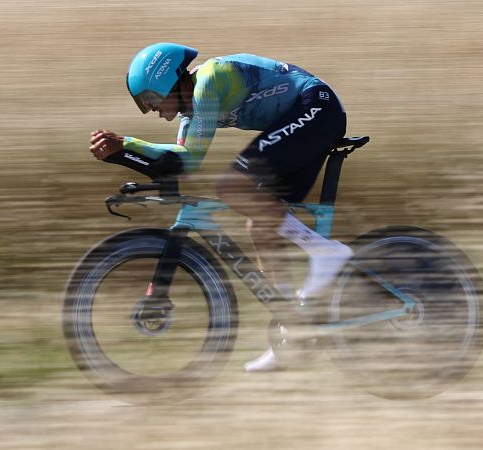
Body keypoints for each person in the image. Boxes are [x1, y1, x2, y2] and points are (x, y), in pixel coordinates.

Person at [88, 43, 353, 372]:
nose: (154, 110)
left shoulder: (209, 81)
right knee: (259, 224)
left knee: (232, 187)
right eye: (147, 106)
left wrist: (125, 144)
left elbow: (189, 159)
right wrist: (123, 149)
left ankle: (325, 252)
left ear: (170, 82)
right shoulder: (192, 110)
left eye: (153, 100)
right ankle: (292, 326)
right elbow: (185, 160)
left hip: (315, 107)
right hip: (304, 118)